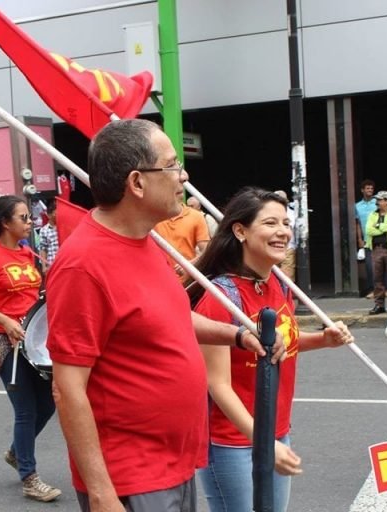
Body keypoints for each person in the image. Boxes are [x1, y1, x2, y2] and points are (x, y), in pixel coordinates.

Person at [46, 119, 284, 511]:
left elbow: (168, 318)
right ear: (137, 183)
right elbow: (67, 388)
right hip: (131, 478)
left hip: (174, 463)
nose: (183, 175)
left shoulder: (144, 240)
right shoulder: (83, 264)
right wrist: (103, 493)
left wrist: (238, 334)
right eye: (172, 165)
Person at [189, 187, 353, 512]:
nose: (282, 232)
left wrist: (324, 339)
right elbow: (217, 384)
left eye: (285, 223)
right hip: (232, 441)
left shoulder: (278, 284)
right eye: (270, 223)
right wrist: (263, 442)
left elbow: (280, 344)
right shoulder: (220, 299)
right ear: (240, 231)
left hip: (276, 431)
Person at [0, 195, 61, 503]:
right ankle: (29, 478)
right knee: (26, 409)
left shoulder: (26, 254)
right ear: (5, 222)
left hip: (34, 342)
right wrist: (5, 321)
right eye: (23, 217)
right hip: (6, 344)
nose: (29, 222)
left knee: (48, 404)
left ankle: (16, 451)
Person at [155, 194, 210, 280]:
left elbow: (207, 251)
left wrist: (189, 265)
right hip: (159, 279)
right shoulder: (154, 215)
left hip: (186, 282)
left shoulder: (196, 216)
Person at [365, 190, 387, 314]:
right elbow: (369, 230)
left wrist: (378, 227)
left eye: (380, 200)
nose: (377, 202)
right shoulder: (373, 215)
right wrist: (383, 229)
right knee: (377, 277)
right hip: (376, 249)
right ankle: (379, 305)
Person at [355, 179, 377, 296]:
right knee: (369, 265)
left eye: (371, 188)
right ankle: (371, 289)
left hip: (379, 237)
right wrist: (359, 239)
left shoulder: (377, 203)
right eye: (367, 188)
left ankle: (386, 288)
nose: (370, 190)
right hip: (366, 238)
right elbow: (357, 223)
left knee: (382, 263)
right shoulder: (357, 206)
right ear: (362, 190)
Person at [273, 190, 297, 281]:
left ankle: (285, 294)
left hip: (288, 247)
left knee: (287, 276)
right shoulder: (268, 214)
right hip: (273, 247)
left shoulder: (291, 214)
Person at [38, 198, 59, 274]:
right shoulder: (44, 230)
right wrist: (44, 266)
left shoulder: (64, 227)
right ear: (49, 215)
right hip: (52, 265)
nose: (57, 215)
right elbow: (43, 249)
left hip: (65, 264)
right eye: (55, 213)